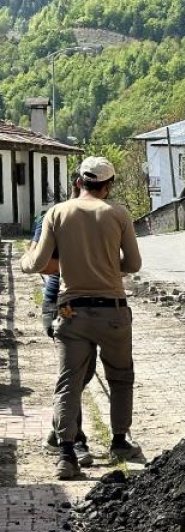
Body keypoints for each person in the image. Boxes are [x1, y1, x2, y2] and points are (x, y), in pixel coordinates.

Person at [20, 157, 144, 480]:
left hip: (70, 309)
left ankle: (65, 454)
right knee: (120, 376)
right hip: (112, 310)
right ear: (108, 185)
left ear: (79, 181)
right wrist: (105, 265)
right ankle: (119, 442)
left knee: (69, 380)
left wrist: (24, 260)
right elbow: (133, 263)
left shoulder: (58, 213)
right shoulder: (118, 215)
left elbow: (38, 263)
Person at [31, 182, 96, 466]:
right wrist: (77, 263)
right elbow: (38, 260)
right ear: (78, 186)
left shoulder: (99, 217)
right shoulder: (51, 218)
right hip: (61, 302)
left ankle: (58, 430)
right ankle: (75, 441)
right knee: (73, 375)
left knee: (83, 373)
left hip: (89, 301)